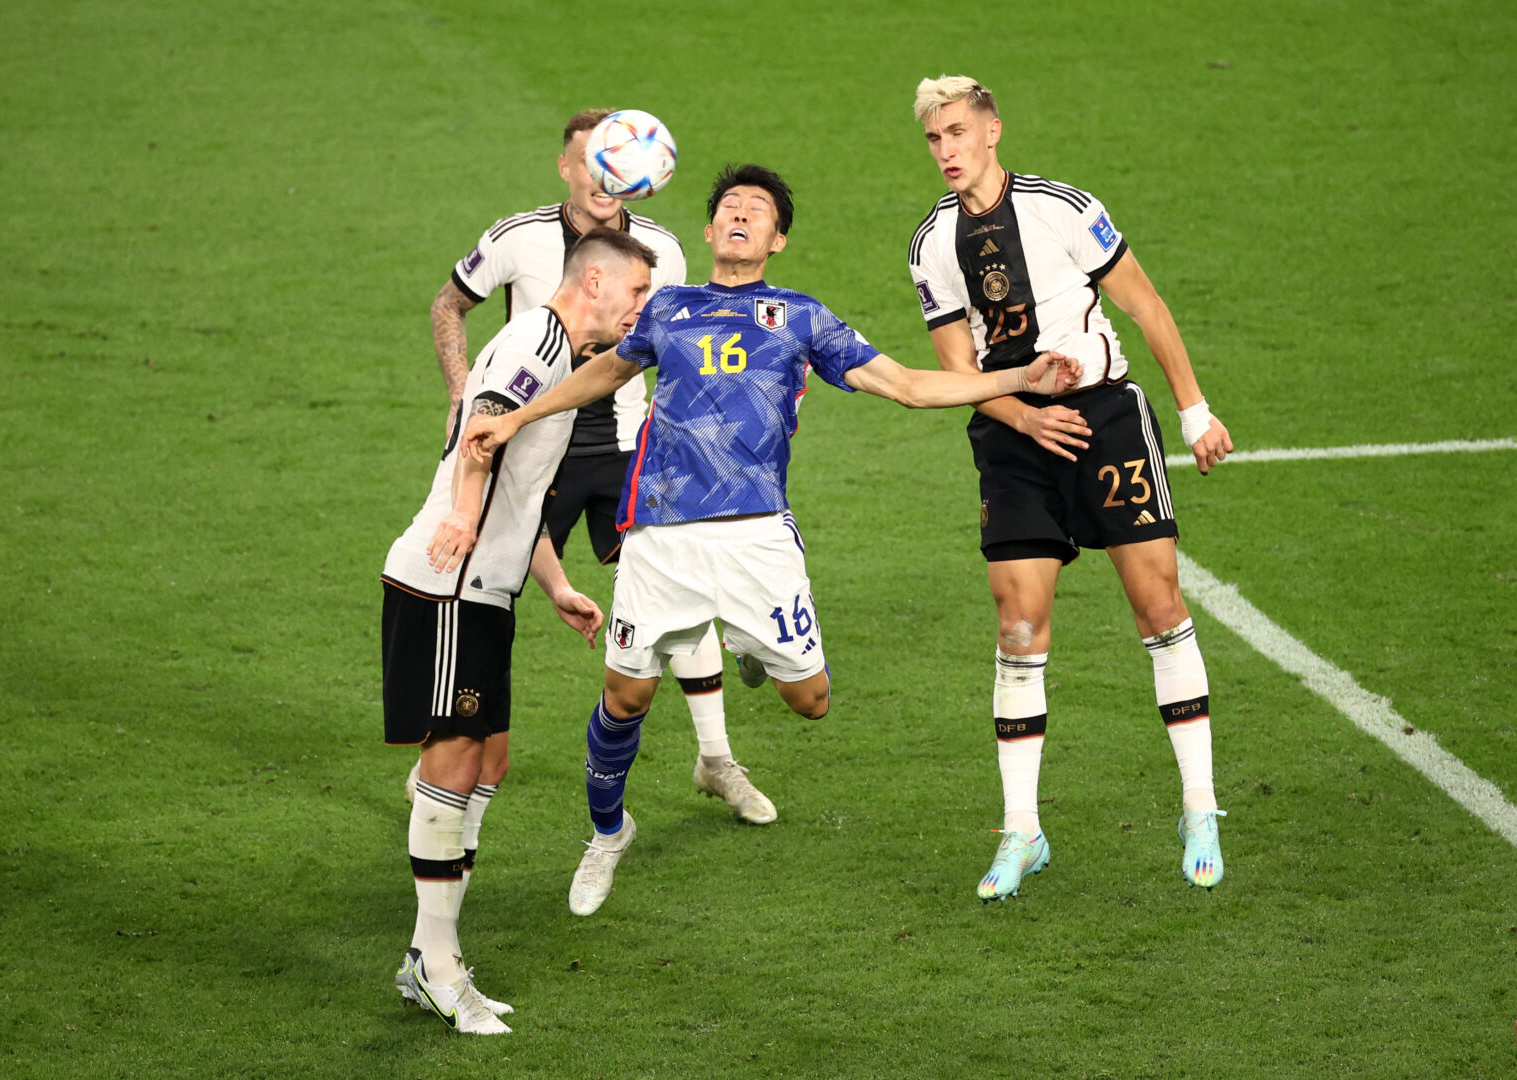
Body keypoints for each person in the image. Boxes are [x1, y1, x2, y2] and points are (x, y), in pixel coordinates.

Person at [461, 163, 1082, 917]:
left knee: (811, 702)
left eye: (756, 210)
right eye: (729, 206)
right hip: (661, 534)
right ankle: (607, 833)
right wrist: (517, 417)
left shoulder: (801, 318)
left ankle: (750, 646)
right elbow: (601, 376)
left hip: (757, 538)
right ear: (708, 230)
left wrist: (1019, 379)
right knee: (623, 698)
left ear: (776, 239)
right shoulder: (667, 308)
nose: (740, 215)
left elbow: (909, 386)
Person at [906, 75, 1236, 901]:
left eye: (956, 132)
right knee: (1017, 626)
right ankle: (1022, 831)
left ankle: (1198, 806)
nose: (945, 150)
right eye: (933, 138)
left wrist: (1194, 412)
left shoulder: (1062, 208)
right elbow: (956, 372)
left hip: (1104, 420)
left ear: (991, 131)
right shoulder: (931, 242)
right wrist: (1024, 418)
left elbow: (1146, 306)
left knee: (1158, 605)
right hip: (1012, 434)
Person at [419, 109, 776, 826]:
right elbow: (448, 305)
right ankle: (445, 743)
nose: (606, 177)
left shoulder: (661, 251)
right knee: (480, 590)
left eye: (619, 163)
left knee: (677, 593)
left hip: (624, 447)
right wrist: (463, 394)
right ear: (568, 168)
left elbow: (677, 346)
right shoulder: (518, 237)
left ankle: (715, 760)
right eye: (593, 162)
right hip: (532, 450)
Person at [382, 229, 655, 1033]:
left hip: (486, 588)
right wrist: (464, 518)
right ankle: (436, 965)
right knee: (455, 758)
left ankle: (428, 957)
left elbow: (521, 488)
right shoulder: (535, 339)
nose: (641, 307)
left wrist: (556, 583)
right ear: (594, 281)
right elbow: (483, 430)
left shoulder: (562, 357)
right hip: (448, 582)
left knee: (489, 759)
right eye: (636, 292)